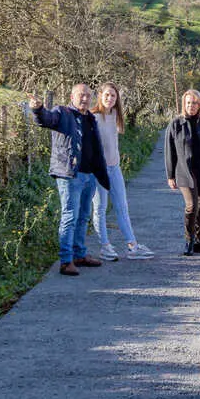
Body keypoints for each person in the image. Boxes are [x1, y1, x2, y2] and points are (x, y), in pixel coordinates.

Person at [30, 84, 111, 276]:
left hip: (89, 176)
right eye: (81, 95)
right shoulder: (62, 112)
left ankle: (79, 255)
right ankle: (66, 261)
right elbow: (46, 120)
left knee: (83, 217)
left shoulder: (90, 118)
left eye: (88, 96)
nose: (84, 99)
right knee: (70, 217)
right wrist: (38, 109)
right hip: (70, 175)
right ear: (72, 96)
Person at [90, 82, 154, 261]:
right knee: (100, 208)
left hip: (114, 168)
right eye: (107, 95)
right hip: (98, 170)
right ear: (100, 95)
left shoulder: (116, 115)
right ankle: (104, 246)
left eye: (113, 96)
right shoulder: (93, 117)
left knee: (122, 206)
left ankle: (132, 246)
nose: (110, 98)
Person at [165, 89, 200, 256]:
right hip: (184, 172)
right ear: (184, 104)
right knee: (192, 205)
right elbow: (170, 152)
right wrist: (170, 175)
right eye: (188, 102)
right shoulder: (176, 124)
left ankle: (199, 242)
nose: (191, 106)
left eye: (195, 103)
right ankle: (188, 240)